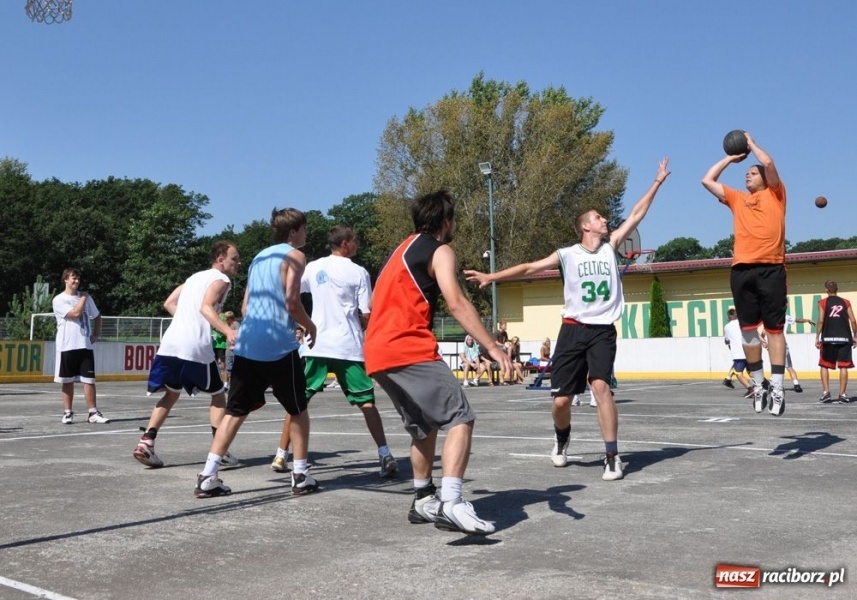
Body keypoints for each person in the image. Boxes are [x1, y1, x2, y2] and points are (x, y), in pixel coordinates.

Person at [466, 158, 670, 481]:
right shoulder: (567, 254)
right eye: (598, 217)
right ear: (586, 226)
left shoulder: (611, 247)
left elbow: (636, 214)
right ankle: (562, 439)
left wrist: (657, 182)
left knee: (601, 387)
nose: (605, 220)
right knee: (561, 402)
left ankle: (612, 456)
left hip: (602, 331)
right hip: (572, 331)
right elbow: (530, 267)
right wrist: (493, 276)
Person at [364, 190, 512, 536]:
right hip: (408, 347)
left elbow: (373, 303)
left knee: (424, 427)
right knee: (461, 417)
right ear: (446, 222)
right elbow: (456, 302)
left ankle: (423, 499)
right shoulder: (439, 249)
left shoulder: (399, 251)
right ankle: (452, 503)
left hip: (377, 352)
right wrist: (492, 346)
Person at [195, 208, 317, 498]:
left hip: (248, 343)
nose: (307, 233)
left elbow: (245, 307)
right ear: (293, 231)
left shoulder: (259, 257)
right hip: (278, 345)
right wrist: (310, 325)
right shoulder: (296, 256)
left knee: (235, 411)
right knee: (298, 410)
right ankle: (300, 475)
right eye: (304, 228)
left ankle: (207, 476)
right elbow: (292, 302)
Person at [271, 225, 397, 479]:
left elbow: (290, 291)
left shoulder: (314, 267)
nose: (358, 244)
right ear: (345, 244)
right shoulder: (359, 272)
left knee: (298, 402)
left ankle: (281, 454)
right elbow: (367, 313)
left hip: (316, 344)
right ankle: (384, 454)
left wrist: (299, 321)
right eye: (355, 240)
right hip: (348, 346)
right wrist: (363, 326)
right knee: (367, 402)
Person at [133, 242, 241, 469]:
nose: (238, 263)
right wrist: (228, 331)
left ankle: (146, 442)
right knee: (218, 395)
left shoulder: (193, 278)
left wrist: (186, 320)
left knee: (171, 393)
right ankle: (220, 450)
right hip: (194, 346)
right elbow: (206, 307)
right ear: (220, 259)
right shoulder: (222, 280)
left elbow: (169, 303)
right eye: (234, 258)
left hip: (171, 343)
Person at [701, 131, 788, 416]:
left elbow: (769, 163)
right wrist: (730, 158)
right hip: (741, 269)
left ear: (765, 178)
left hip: (770, 267)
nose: (747, 175)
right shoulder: (738, 198)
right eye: (746, 172)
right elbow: (707, 180)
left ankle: (778, 386)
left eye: (753, 172)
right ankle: (759, 384)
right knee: (748, 330)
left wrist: (750, 144)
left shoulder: (776, 194)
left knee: (774, 330)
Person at [52, 268, 108, 424]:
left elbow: (97, 316)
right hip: (67, 345)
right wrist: (83, 297)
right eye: (73, 278)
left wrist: (95, 334)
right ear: (65, 280)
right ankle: (68, 413)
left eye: (78, 278)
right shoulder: (59, 300)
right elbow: (75, 314)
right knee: (67, 380)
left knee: (89, 380)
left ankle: (93, 413)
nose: (76, 281)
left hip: (84, 345)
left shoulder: (87, 298)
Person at [815, 280, 857, 404]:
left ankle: (826, 393)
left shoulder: (822, 302)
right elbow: (853, 320)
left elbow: (821, 320)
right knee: (844, 366)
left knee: (824, 365)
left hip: (828, 339)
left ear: (826, 291)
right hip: (844, 338)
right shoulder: (846, 302)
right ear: (837, 290)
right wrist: (855, 335)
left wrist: (817, 336)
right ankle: (842, 395)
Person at [723, 308, 753, 397]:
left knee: (738, 373)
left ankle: (750, 389)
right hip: (749, 350)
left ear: (729, 317)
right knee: (751, 372)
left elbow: (726, 341)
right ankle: (764, 384)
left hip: (738, 354)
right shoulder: (742, 323)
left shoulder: (727, 327)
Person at [223, 312, 240, 389]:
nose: (225, 320)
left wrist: (234, 345)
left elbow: (238, 336)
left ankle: (235, 385)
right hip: (229, 350)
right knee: (229, 368)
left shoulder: (236, 324)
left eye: (226, 319)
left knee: (234, 368)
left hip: (234, 351)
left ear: (229, 318)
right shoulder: (230, 325)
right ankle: (231, 384)